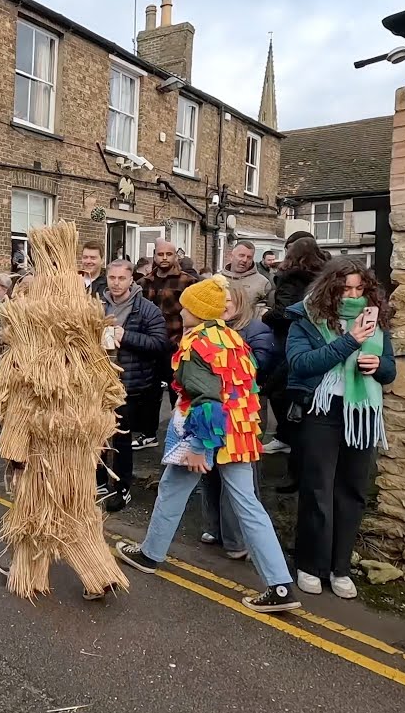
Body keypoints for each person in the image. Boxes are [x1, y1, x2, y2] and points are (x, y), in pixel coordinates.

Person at [113, 274, 302, 614]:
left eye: (186, 305)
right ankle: (280, 584)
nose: (181, 309)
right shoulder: (231, 338)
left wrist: (201, 446)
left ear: (197, 311)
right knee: (248, 504)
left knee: (172, 489)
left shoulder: (195, 344)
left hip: (207, 431)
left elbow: (208, 399)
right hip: (240, 431)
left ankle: (150, 554)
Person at [286, 258, 396, 599]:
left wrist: (378, 365)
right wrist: (348, 341)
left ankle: (339, 567)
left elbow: (390, 371)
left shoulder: (375, 320)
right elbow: (301, 364)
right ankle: (311, 564)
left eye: (359, 288)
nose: (353, 294)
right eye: (345, 288)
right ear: (330, 288)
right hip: (322, 410)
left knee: (351, 491)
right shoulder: (306, 319)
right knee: (318, 489)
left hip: (361, 413)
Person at [199, 283, 277, 560]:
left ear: (240, 302)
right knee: (210, 472)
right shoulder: (208, 329)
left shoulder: (255, 329)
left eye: (229, 300)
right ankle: (214, 528)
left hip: (244, 412)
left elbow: (257, 366)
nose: (224, 305)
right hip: (212, 408)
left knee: (239, 477)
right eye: (220, 300)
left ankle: (236, 540)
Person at [98, 260, 167, 512]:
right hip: (97, 383)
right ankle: (99, 482)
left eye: (121, 278)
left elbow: (160, 344)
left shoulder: (145, 309)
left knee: (121, 438)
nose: (116, 283)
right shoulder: (96, 305)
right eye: (112, 278)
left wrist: (125, 336)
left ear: (131, 280)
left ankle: (122, 488)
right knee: (96, 433)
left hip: (128, 383)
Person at [261, 232, 329, 477]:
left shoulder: (289, 277)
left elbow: (284, 311)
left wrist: (265, 316)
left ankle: (287, 436)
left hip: (288, 337)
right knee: (305, 387)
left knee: (276, 388)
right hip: (319, 336)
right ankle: (294, 437)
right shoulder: (326, 275)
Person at [134, 240, 198, 450]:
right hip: (151, 345)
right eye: (160, 254)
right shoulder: (145, 282)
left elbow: (195, 313)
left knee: (177, 392)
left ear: (175, 256)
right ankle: (149, 434)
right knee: (149, 393)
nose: (164, 258)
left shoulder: (187, 282)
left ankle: (179, 434)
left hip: (176, 344)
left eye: (168, 254)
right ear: (154, 256)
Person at [220, 240, 273, 311]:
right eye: (241, 255)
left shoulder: (263, 283)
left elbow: (267, 312)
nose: (245, 260)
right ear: (231, 256)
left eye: (249, 257)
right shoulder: (217, 280)